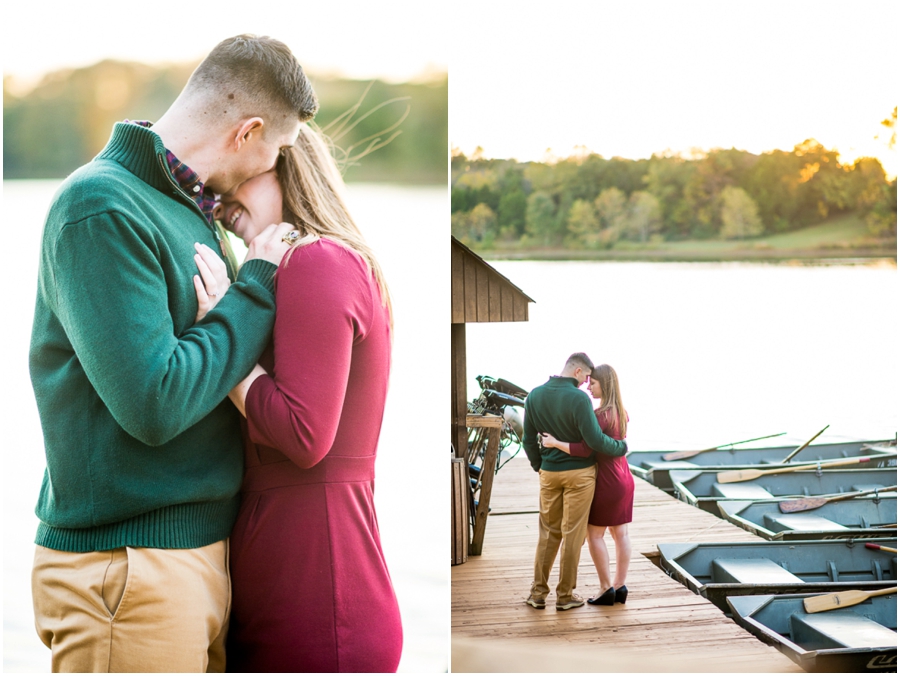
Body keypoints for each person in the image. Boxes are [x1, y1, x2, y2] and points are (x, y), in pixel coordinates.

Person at [28, 35, 317, 673]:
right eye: (280, 152)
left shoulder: (190, 210)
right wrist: (255, 288)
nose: (275, 169)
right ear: (250, 131)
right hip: (127, 571)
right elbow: (154, 404)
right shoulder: (100, 208)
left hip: (186, 562)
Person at [194, 123, 402, 672]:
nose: (220, 197)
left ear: (286, 162)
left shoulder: (317, 261)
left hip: (320, 600)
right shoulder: (312, 267)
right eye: (216, 185)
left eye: (243, 172)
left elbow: (305, 436)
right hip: (297, 582)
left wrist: (221, 331)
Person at [522, 353, 628, 611]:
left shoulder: (534, 395)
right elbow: (594, 441)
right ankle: (565, 596)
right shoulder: (579, 398)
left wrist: (541, 466)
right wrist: (620, 447)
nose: (585, 385)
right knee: (573, 534)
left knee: (548, 533)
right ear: (578, 371)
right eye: (585, 379)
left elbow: (527, 440)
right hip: (580, 475)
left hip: (549, 472)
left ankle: (537, 594)